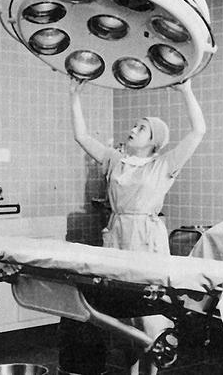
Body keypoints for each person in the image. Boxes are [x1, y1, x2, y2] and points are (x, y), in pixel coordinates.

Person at [67, 78, 205, 375]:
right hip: (117, 234)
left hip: (147, 238)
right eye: (134, 125)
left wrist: (186, 91)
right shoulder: (114, 160)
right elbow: (81, 135)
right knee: (120, 311)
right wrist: (74, 95)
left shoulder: (164, 165)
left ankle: (151, 370)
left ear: (154, 140)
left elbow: (198, 131)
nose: (132, 129)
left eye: (141, 127)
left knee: (149, 310)